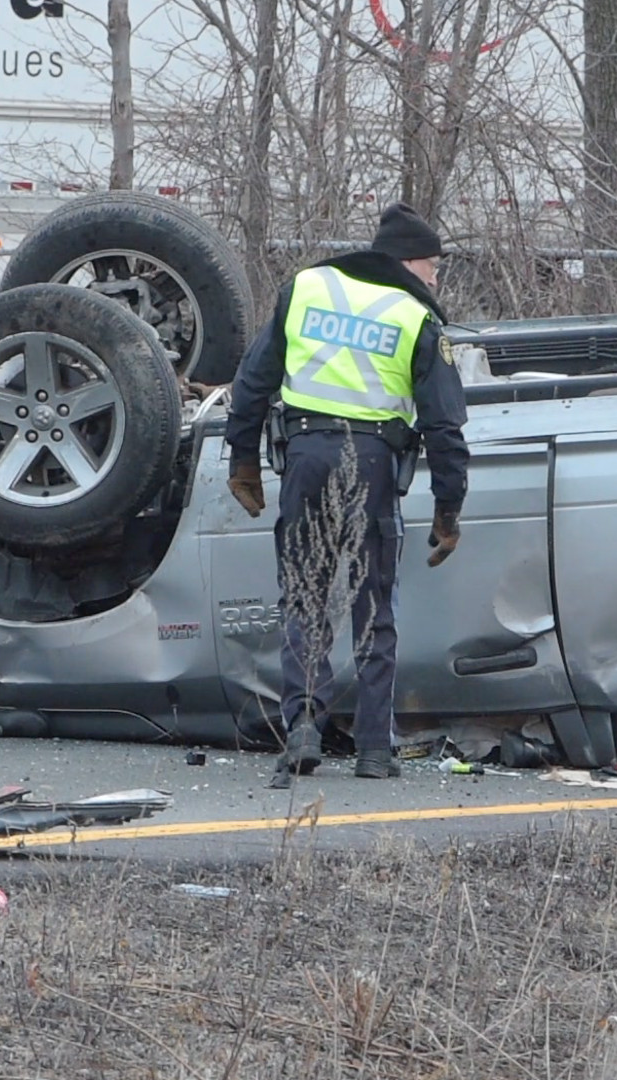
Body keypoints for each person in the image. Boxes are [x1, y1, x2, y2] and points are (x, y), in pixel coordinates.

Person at [225, 202, 470, 784]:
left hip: (305, 458)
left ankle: (303, 728)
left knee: (305, 599)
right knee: (373, 606)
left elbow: (253, 382)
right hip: (374, 464)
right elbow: (443, 426)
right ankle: (374, 749)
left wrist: (243, 460)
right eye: (433, 268)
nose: (435, 280)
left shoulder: (306, 289)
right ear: (408, 262)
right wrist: (448, 508)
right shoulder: (414, 316)